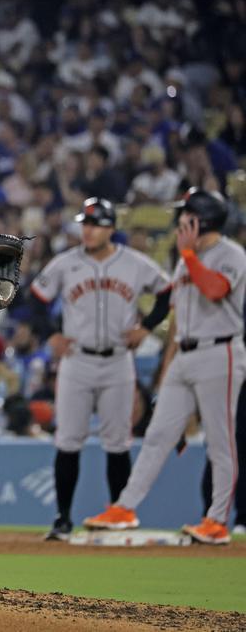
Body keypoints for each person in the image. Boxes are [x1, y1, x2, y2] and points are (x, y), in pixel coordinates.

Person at [85, 189, 245, 545]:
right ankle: (124, 507)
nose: (179, 221)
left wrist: (188, 254)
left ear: (200, 220)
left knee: (221, 442)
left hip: (220, 351)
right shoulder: (186, 257)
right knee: (157, 436)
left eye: (186, 215)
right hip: (185, 353)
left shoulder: (230, 254)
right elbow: (178, 315)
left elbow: (217, 290)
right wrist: (167, 367)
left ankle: (217, 521)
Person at [31, 197, 171, 540]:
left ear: (110, 228)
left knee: (117, 442)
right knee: (68, 440)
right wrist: (51, 335)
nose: (88, 229)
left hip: (118, 360)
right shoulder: (65, 263)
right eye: (85, 223)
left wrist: (147, 327)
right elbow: (35, 299)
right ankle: (62, 519)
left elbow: (168, 292)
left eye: (95, 223)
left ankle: (117, 514)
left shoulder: (135, 264)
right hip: (76, 359)